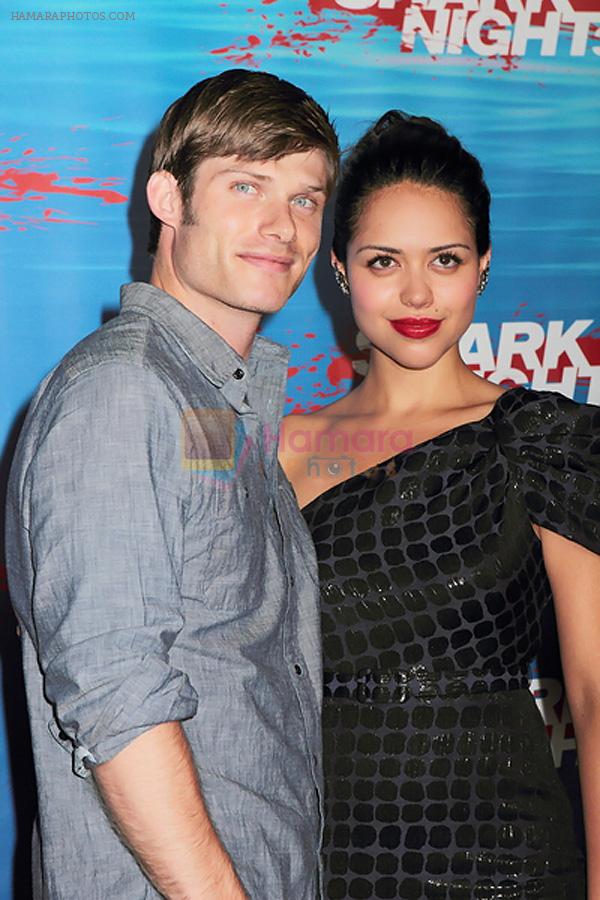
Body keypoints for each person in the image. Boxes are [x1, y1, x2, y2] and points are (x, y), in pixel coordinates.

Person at [5, 68, 339, 899]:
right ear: (167, 197)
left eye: (305, 197)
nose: (282, 226)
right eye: (246, 184)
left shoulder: (210, 402)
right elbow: (119, 699)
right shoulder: (124, 394)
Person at [279, 110, 600, 899]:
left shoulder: (542, 437)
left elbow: (593, 695)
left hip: (508, 860)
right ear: (340, 269)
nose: (417, 291)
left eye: (445, 260)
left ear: (483, 266)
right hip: (323, 858)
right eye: (384, 260)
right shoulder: (272, 445)